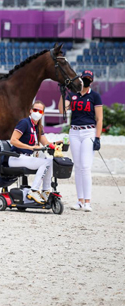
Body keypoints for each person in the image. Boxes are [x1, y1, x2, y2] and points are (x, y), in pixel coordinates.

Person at [59, 70, 103, 212]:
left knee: (85, 166)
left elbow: (99, 118)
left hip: (88, 131)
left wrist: (97, 137)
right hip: (75, 131)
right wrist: (62, 94)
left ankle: (87, 201)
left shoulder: (95, 96)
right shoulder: (72, 95)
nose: (86, 81)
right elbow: (62, 111)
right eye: (84, 78)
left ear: (92, 81)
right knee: (77, 167)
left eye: (89, 79)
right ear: (80, 79)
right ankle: (79, 200)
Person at [8, 101, 59, 204]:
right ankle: (34, 190)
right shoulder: (24, 123)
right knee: (46, 162)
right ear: (30, 111)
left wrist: (57, 143)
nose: (37, 112)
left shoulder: (38, 127)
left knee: (49, 160)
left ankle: (45, 191)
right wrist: (30, 147)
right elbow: (13, 140)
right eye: (35, 110)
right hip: (16, 157)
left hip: (26, 158)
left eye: (40, 111)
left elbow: (46, 143)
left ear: (43, 113)